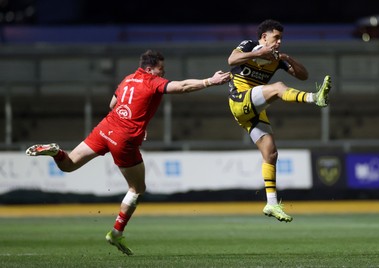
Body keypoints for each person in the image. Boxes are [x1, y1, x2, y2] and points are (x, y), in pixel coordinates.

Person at [25, 49, 231, 256]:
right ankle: (116, 232)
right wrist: (209, 81)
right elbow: (182, 86)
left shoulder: (128, 79)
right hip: (124, 138)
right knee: (137, 188)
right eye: (161, 69)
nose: (163, 73)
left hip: (105, 128)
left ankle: (55, 151)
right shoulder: (152, 81)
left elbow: (113, 104)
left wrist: (136, 117)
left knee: (68, 165)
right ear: (150, 69)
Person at [227, 19, 331, 222]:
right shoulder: (249, 45)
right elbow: (231, 60)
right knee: (278, 87)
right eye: (276, 38)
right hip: (239, 100)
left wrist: (287, 58)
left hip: (255, 108)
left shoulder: (277, 58)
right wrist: (258, 53)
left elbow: (303, 75)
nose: (279, 42)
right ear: (264, 37)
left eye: (281, 39)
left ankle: (271, 203)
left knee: (271, 152)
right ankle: (314, 98)